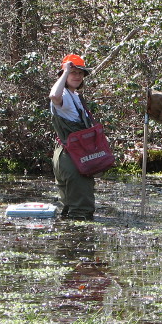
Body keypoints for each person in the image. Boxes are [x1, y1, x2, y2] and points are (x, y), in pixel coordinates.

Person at [49, 54, 97, 220]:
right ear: (64, 75)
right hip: (69, 155)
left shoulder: (76, 97)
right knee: (80, 211)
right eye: (72, 72)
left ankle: (67, 241)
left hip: (76, 153)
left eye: (80, 73)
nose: (77, 76)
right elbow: (54, 96)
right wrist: (65, 70)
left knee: (69, 206)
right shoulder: (62, 95)